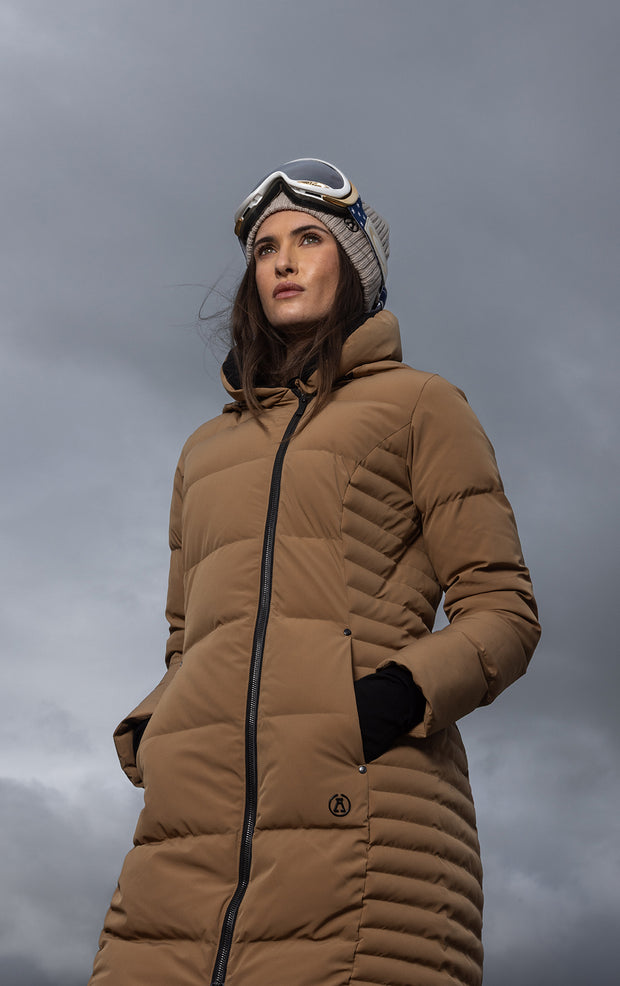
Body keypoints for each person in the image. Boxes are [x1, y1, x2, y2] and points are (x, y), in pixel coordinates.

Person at [89, 159, 540, 986]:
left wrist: (380, 704)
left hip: (366, 813)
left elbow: (503, 611)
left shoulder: (421, 405)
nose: (283, 262)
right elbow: (187, 640)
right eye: (265, 250)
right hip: (188, 833)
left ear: (355, 266)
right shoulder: (204, 450)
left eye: (308, 240)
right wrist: (163, 731)